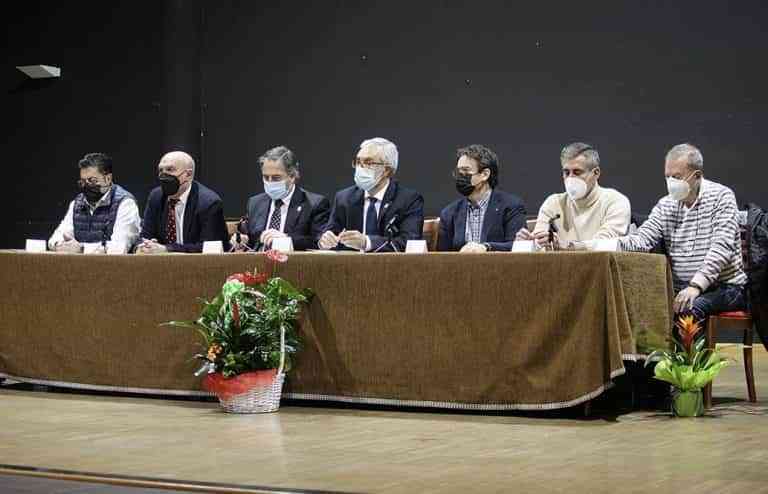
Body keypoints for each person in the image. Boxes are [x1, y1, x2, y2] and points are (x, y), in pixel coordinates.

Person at [618, 143, 746, 320]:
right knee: (637, 306)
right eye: (667, 176)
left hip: (725, 286)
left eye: (677, 177)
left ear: (697, 175)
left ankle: (690, 350)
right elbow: (642, 239)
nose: (671, 183)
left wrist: (696, 286)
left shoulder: (722, 197)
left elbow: (721, 248)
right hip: (681, 287)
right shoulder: (666, 204)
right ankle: (653, 349)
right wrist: (597, 245)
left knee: (688, 309)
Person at [516, 142, 631, 249]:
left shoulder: (616, 201)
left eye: (577, 172)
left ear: (596, 173)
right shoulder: (553, 203)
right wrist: (528, 244)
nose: (570, 178)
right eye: (566, 172)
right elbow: (540, 247)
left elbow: (603, 245)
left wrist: (566, 246)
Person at [318, 137, 424, 252]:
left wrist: (366, 243)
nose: (360, 167)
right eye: (358, 162)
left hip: (391, 267)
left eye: (368, 163)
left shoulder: (408, 200)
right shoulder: (344, 198)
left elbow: (408, 243)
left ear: (387, 170)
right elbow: (329, 234)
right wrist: (324, 241)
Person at [231, 146, 330, 251]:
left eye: (276, 178)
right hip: (259, 264)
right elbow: (251, 238)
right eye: (266, 177)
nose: (270, 182)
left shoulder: (314, 204)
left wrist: (286, 239)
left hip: (294, 264)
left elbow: (318, 243)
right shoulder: (255, 203)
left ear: (292, 176)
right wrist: (242, 240)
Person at [437, 144, 526, 252]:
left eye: (466, 170)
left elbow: (517, 246)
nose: (461, 176)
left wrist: (486, 247)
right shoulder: (449, 213)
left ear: (485, 174)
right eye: (458, 172)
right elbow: (442, 255)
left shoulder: (511, 206)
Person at [137, 151, 229, 253]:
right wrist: (147, 245)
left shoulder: (209, 203)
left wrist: (167, 249)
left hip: (198, 265)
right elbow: (145, 235)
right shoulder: (156, 196)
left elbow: (209, 248)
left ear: (188, 175)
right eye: (160, 170)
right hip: (161, 264)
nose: (163, 175)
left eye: (170, 170)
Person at [48, 152, 140, 253]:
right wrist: (59, 245)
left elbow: (119, 248)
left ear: (108, 178)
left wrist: (82, 249)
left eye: (92, 180)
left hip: (112, 266)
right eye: (83, 182)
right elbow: (55, 238)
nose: (86, 186)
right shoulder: (77, 203)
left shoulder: (125, 203)